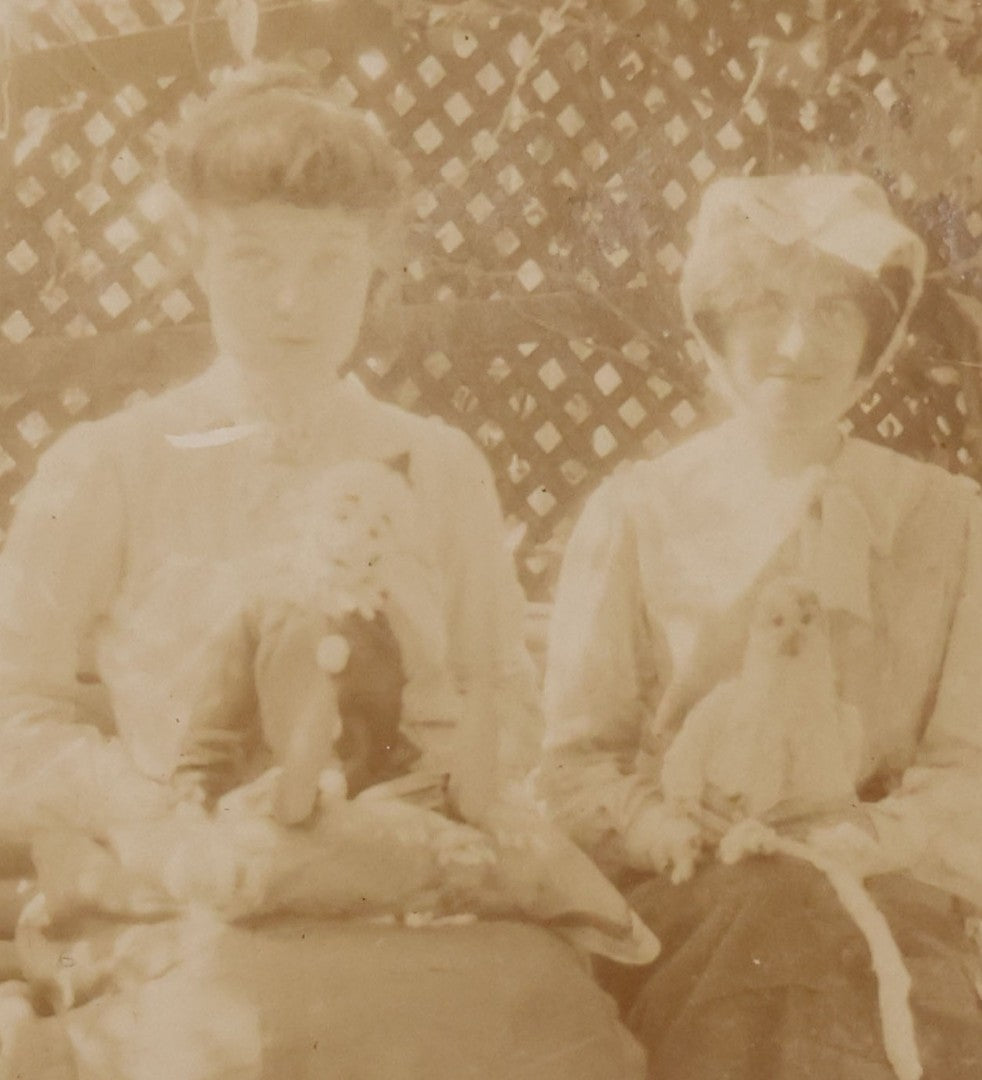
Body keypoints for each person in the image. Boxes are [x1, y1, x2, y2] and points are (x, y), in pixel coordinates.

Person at [0, 63, 647, 1079]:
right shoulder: (109, 465)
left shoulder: (437, 464)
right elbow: (17, 712)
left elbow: (499, 692)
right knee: (247, 1023)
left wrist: (436, 785)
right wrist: (157, 821)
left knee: (526, 1011)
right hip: (197, 880)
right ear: (194, 260)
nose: (292, 300)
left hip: (406, 872)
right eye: (252, 258)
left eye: (332, 262)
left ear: (377, 270)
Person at [540, 172, 982, 1080]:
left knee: (826, 935)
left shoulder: (951, 519)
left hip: (882, 892)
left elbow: (969, 769)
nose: (795, 342)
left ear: (875, 335)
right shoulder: (640, 512)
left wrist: (861, 842)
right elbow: (575, 765)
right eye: (766, 305)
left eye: (832, 310)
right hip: (689, 892)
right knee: (768, 922)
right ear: (715, 325)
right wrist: (658, 825)